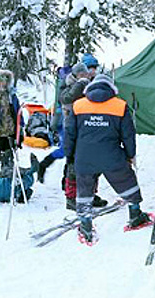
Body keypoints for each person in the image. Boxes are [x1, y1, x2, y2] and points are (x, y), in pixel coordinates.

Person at [66, 74, 152, 244]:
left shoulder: (78, 105)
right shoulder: (120, 106)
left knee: (85, 190)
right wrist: (130, 154)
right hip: (111, 155)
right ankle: (135, 213)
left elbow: (70, 133)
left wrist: (70, 155)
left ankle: (85, 224)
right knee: (127, 182)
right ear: (111, 89)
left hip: (84, 156)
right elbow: (128, 135)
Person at [57, 61, 108, 211]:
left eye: (86, 73)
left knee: (93, 162)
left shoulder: (91, 83)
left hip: (89, 126)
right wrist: (80, 85)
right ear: (76, 74)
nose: (85, 75)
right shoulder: (67, 84)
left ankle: (90, 194)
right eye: (82, 73)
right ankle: (71, 197)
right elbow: (65, 99)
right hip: (72, 127)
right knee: (73, 163)